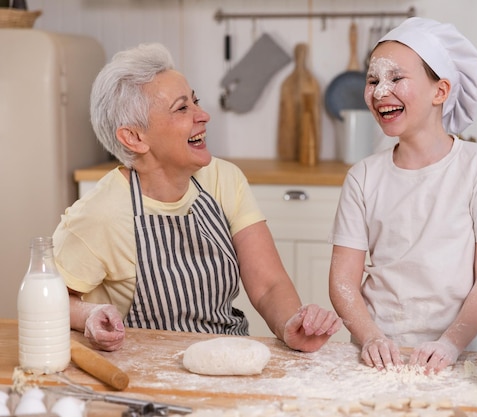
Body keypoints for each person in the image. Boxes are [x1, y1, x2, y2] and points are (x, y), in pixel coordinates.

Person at [53, 42, 342, 353]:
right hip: (147, 371)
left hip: (227, 354)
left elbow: (268, 284)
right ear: (134, 138)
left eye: (195, 101)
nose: (203, 115)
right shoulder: (103, 213)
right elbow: (47, 297)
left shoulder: (224, 179)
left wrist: (291, 325)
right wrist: (89, 314)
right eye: (182, 108)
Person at [328, 17, 477, 372]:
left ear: (440, 91)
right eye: (373, 79)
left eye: (396, 78)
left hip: (460, 354)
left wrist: (451, 343)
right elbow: (343, 280)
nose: (378, 92)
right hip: (376, 355)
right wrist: (371, 337)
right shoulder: (363, 177)